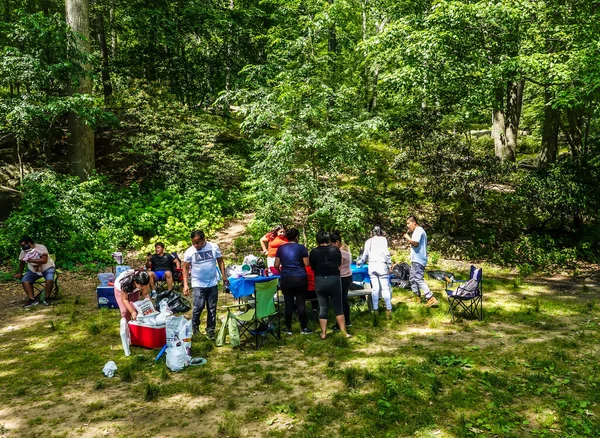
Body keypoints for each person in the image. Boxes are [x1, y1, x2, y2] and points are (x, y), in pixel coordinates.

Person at [182, 230, 229, 340]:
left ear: (203, 240)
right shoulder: (190, 251)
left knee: (212, 308)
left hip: (212, 283)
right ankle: (195, 329)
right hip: (198, 283)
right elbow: (185, 267)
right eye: (193, 242)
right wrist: (185, 284)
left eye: (197, 242)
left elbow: (220, 261)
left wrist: (224, 276)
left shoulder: (213, 247)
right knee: (198, 307)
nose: (195, 245)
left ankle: (210, 330)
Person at [309, 231, 351, 340]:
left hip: (320, 280)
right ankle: (344, 332)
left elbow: (312, 267)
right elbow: (339, 264)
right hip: (334, 279)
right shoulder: (335, 250)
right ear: (328, 240)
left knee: (323, 308)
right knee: (338, 307)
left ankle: (323, 333)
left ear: (317, 240)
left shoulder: (313, 252)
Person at [274, 228, 312, 335]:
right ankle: (304, 328)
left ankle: (288, 328)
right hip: (300, 278)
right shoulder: (301, 248)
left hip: (286, 277)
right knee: (301, 304)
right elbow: (307, 263)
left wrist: (281, 271)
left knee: (288, 303)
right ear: (296, 237)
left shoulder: (281, 248)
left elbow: (276, 265)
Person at [356, 225, 393, 318]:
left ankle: (375, 310)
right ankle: (388, 309)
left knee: (375, 289)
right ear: (380, 232)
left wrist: (360, 262)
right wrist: (389, 264)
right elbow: (386, 253)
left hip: (372, 266)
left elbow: (364, 256)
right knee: (385, 288)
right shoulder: (383, 240)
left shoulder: (368, 241)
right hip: (381, 265)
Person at [405, 215, 438, 307]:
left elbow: (415, 243)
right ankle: (417, 297)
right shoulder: (417, 231)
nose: (407, 226)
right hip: (416, 259)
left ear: (414, 223)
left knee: (418, 278)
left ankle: (430, 297)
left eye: (408, 223)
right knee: (412, 278)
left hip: (419, 259)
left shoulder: (418, 231)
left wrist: (408, 238)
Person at [14, 236, 55, 307]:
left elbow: (44, 261)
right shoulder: (23, 251)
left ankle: (47, 298)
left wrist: (31, 260)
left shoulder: (41, 247)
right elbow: (22, 261)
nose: (23, 247)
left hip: (47, 268)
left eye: (24, 245)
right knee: (25, 281)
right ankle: (32, 300)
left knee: (49, 280)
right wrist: (20, 272)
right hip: (33, 270)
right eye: (22, 246)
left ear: (29, 243)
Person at [330, 231, 353, 330]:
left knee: (340, 301)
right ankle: (347, 320)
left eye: (331, 244)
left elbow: (337, 267)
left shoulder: (340, 253)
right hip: (347, 276)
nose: (330, 246)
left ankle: (340, 324)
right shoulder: (345, 250)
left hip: (342, 278)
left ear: (337, 242)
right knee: (344, 300)